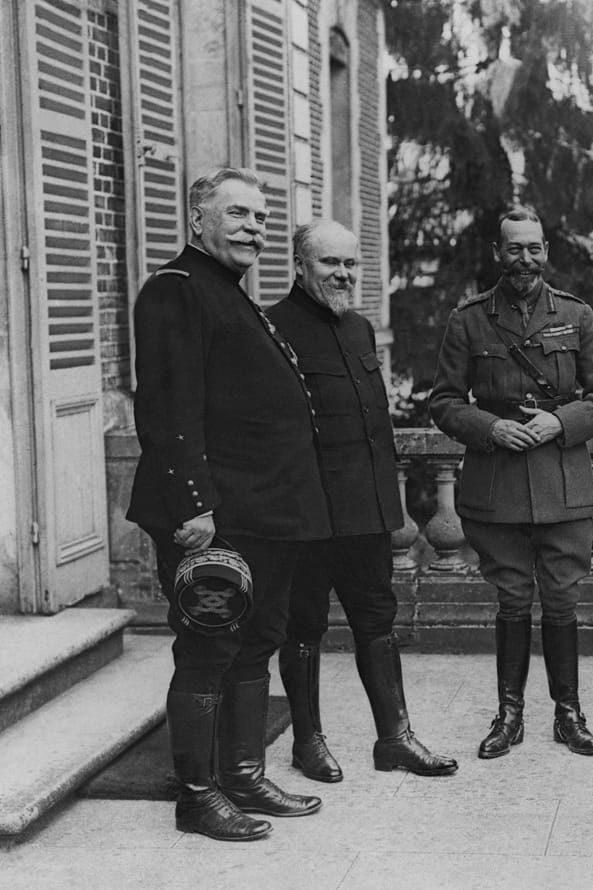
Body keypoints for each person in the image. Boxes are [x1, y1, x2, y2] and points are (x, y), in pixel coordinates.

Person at [127, 168, 331, 841]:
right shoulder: (176, 290)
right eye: (238, 214)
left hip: (265, 513)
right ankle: (197, 795)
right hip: (213, 516)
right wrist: (194, 506)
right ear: (197, 221)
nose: (255, 229)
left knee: (258, 643)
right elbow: (167, 410)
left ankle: (242, 775)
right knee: (209, 649)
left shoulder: (229, 294)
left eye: (263, 219)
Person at [267, 219, 457, 782]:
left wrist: (383, 509)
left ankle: (394, 738)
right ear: (300, 265)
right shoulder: (271, 330)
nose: (344, 273)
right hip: (308, 515)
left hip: (366, 515)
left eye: (351, 263)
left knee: (377, 622)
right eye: (330, 263)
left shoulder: (359, 330)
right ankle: (308, 742)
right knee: (302, 628)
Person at [430, 207, 593, 759]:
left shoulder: (575, 315)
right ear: (497, 253)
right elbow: (443, 401)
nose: (525, 260)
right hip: (498, 483)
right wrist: (490, 428)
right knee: (513, 599)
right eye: (514, 249)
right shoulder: (468, 319)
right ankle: (509, 715)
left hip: (563, 480)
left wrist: (560, 421)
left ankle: (569, 713)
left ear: (546, 252)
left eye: (534, 248)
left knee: (561, 600)